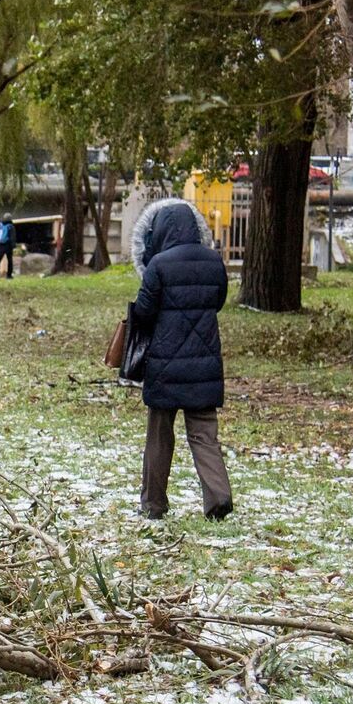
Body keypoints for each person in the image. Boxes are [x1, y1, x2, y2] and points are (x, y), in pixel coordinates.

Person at [129, 198, 232, 521]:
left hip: (164, 363)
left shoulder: (158, 265)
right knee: (204, 434)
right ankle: (218, 498)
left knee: (159, 436)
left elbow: (144, 311)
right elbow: (218, 301)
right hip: (204, 363)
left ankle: (153, 503)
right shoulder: (214, 261)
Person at [0, 213, 16, 279]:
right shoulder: (10, 226)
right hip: (7, 245)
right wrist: (13, 246)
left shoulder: (0, 225)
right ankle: (9, 275)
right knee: (10, 260)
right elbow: (12, 237)